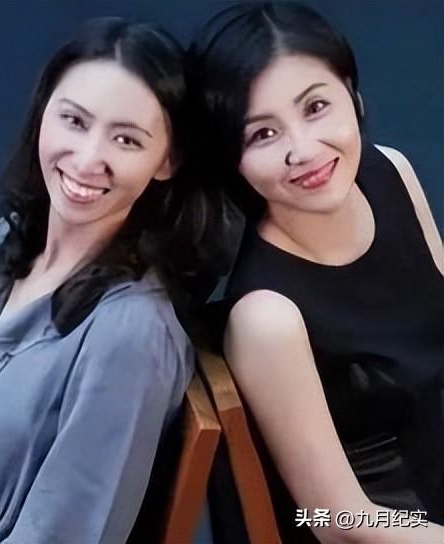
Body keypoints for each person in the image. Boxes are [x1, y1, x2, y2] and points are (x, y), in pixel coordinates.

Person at [0, 17, 227, 544]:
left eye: (126, 139)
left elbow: (63, 531)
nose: (88, 158)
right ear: (44, 112)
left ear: (167, 161)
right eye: (74, 121)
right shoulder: (6, 242)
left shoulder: (132, 334)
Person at [187, 2, 444, 543]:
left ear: (353, 95)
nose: (302, 150)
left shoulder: (392, 171)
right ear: (231, 160)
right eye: (263, 134)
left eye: (316, 106)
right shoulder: (267, 317)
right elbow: (337, 522)